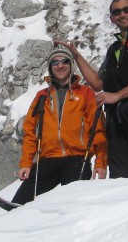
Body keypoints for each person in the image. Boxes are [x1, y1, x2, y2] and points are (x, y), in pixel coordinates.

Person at [56, 0, 128, 178]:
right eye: (117, 12)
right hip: (118, 121)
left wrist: (118, 95)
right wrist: (76, 55)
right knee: (120, 180)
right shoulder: (114, 48)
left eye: (127, 9)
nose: (123, 14)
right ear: (112, 18)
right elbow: (99, 83)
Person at [11, 45, 107, 205]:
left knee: (72, 205)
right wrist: (26, 163)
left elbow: (98, 130)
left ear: (71, 65)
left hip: (77, 159)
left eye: (65, 61)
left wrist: (101, 163)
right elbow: (30, 132)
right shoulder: (41, 96)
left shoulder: (86, 93)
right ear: (50, 68)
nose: (60, 65)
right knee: (20, 202)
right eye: (55, 62)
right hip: (48, 159)